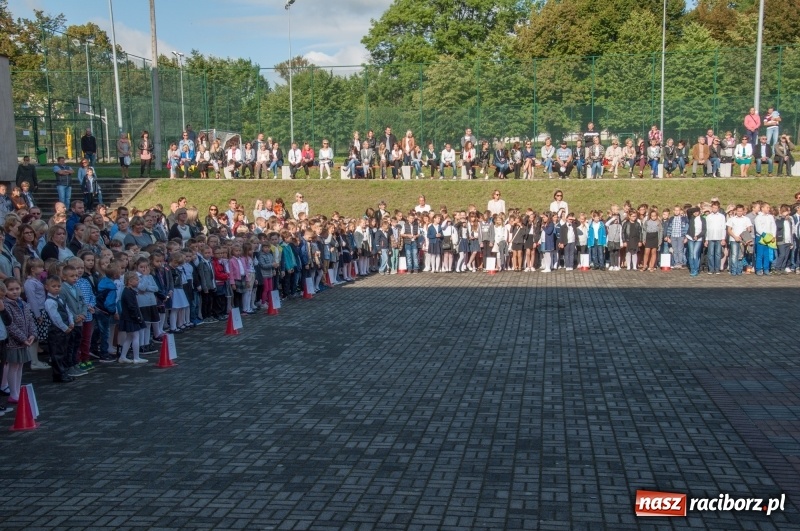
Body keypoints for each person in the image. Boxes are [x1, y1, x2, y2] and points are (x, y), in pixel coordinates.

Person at [43, 276, 75, 382]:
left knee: (63, 351)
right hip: (56, 330)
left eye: (58, 286)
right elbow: (55, 317)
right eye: (54, 286)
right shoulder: (50, 302)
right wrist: (64, 327)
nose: (57, 288)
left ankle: (63, 372)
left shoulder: (59, 299)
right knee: (57, 353)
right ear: (47, 287)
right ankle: (58, 374)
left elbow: (68, 311)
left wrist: (71, 322)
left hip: (65, 328)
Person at [117, 271, 147, 364]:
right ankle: (136, 357)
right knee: (135, 337)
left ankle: (123, 357)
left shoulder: (128, 291)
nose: (138, 281)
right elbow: (132, 307)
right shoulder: (128, 292)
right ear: (130, 281)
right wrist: (137, 317)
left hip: (128, 318)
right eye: (136, 280)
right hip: (131, 318)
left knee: (129, 337)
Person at [726, 204, 753, 276]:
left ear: (743, 211)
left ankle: (739, 270)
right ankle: (734, 270)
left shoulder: (746, 219)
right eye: (738, 211)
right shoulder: (731, 219)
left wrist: (744, 235)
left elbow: (749, 229)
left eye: (741, 211)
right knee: (734, 255)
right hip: (734, 239)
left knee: (741, 256)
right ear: (735, 211)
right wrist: (735, 237)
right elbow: (729, 230)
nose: (739, 213)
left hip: (743, 240)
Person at [684, 207, 706, 277]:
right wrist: (695, 208)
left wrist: (698, 236)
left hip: (698, 239)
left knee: (695, 254)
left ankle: (696, 269)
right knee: (691, 254)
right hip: (690, 237)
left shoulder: (703, 219)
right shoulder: (691, 218)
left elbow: (704, 230)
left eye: (697, 211)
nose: (696, 213)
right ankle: (692, 269)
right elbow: (688, 211)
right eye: (695, 212)